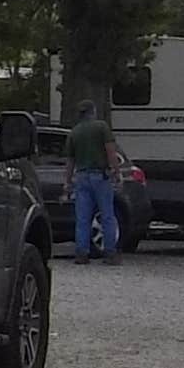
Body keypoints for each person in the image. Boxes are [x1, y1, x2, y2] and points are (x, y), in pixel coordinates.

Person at [69, 98, 122, 261]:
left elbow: (70, 160)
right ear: (93, 111)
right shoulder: (102, 127)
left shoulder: (75, 132)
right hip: (100, 175)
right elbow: (110, 151)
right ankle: (110, 253)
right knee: (107, 215)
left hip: (81, 176)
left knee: (82, 217)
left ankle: (81, 253)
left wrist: (67, 181)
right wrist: (116, 171)